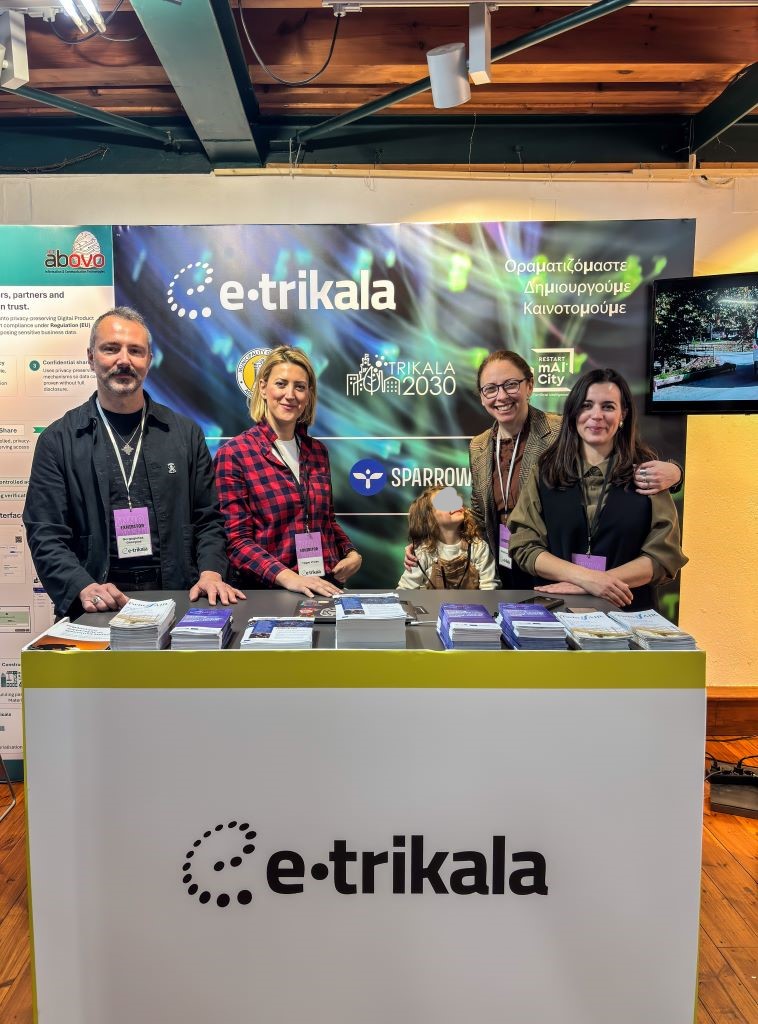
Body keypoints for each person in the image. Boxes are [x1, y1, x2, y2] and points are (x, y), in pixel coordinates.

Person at [23, 306, 244, 619]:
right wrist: (82, 586)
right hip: (95, 604)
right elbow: (45, 533)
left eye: (135, 351)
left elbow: (208, 519)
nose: (124, 360)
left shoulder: (185, 434)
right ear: (91, 357)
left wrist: (211, 572)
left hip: (179, 598)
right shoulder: (58, 440)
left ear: (149, 360)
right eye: (111, 349)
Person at [406, 349, 682, 588]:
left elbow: (616, 460)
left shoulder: (564, 430)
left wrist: (677, 473)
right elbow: (479, 514)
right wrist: (433, 542)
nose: (501, 396)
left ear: (529, 386)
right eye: (490, 388)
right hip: (501, 563)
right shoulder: (478, 446)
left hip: (554, 566)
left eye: (510, 385)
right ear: (481, 396)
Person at [507, 368, 688, 609]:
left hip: (629, 615)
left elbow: (663, 555)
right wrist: (587, 579)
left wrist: (595, 584)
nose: (596, 415)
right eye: (587, 405)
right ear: (574, 412)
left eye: (608, 407)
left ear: (623, 414)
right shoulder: (545, 471)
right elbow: (524, 545)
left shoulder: (649, 474)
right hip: (558, 612)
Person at [214, 346, 362, 597]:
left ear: (308, 394)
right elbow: (237, 541)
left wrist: (351, 552)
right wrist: (290, 578)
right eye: (281, 384)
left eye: (300, 387)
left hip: (324, 587)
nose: (290, 395)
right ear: (263, 388)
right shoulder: (235, 454)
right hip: (269, 593)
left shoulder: (318, 452)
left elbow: (326, 520)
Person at [397, 486, 498, 591]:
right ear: (429, 518)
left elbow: (489, 588)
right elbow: (404, 590)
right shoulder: (423, 553)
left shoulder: (478, 547)